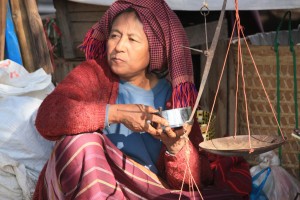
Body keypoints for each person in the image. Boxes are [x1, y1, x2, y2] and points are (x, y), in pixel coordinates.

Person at [33, 0, 251, 199]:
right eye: (114, 35)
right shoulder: (93, 74)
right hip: (94, 186)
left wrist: (174, 147)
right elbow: (47, 117)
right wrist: (115, 113)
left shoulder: (174, 100)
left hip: (142, 189)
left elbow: (192, 180)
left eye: (132, 39)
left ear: (154, 50)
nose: (118, 47)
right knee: (81, 143)